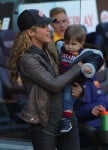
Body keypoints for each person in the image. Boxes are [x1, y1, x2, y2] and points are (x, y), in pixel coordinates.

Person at [8, 9, 84, 150]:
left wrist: (80, 90)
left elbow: (66, 77)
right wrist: (79, 67)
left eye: (48, 26)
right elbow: (54, 84)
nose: (49, 30)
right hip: (44, 122)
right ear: (31, 32)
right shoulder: (26, 59)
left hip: (67, 118)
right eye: (43, 27)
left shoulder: (53, 50)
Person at [58, 24, 104, 133]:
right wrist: (91, 111)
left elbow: (102, 98)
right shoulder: (77, 73)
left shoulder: (91, 74)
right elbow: (77, 110)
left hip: (100, 123)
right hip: (87, 126)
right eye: (67, 43)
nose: (69, 47)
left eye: (73, 44)